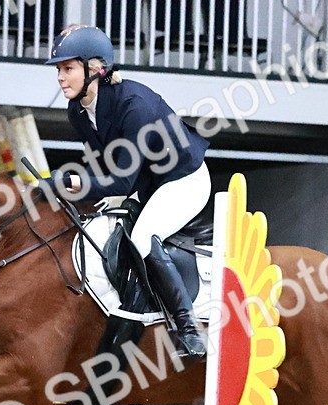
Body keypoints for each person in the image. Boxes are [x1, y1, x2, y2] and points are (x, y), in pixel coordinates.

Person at [47, 24, 209, 361]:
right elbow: (104, 168)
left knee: (143, 236)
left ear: (96, 69)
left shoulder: (135, 105)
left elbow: (119, 182)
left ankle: (189, 330)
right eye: (59, 70)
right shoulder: (77, 111)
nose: (60, 77)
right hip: (144, 183)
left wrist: (70, 182)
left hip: (182, 180)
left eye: (68, 68)